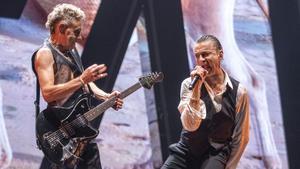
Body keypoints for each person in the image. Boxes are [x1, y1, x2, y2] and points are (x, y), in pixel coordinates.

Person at [31, 3, 123, 169]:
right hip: (59, 129)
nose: (79, 37)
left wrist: (105, 96)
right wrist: (82, 79)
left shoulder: (71, 52)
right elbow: (48, 93)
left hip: (77, 127)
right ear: (61, 28)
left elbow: (85, 82)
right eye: (76, 32)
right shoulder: (45, 54)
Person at [161, 35, 250, 169]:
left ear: (220, 55)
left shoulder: (239, 92)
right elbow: (190, 125)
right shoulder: (188, 84)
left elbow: (241, 138)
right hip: (186, 150)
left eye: (206, 54)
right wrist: (196, 89)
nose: (201, 60)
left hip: (216, 154)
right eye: (197, 56)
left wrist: (229, 167)